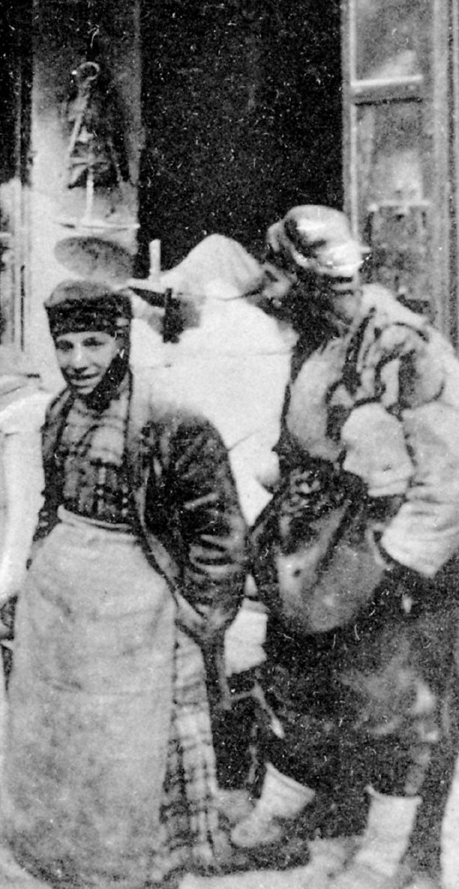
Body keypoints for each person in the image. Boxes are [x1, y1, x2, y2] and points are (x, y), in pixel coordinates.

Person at [225, 206, 459, 885]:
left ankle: (384, 856)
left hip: (385, 551)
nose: (268, 292)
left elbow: (447, 473)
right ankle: (278, 817)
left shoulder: (402, 346)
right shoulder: (317, 340)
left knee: (388, 702)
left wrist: (400, 568)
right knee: (297, 678)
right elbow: (301, 439)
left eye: (278, 277)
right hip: (317, 545)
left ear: (309, 279)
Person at [2, 280, 247, 886]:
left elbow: (219, 532)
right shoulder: (59, 414)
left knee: (141, 736)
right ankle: (67, 852)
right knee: (65, 727)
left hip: (140, 602)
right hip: (64, 599)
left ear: (122, 341)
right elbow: (51, 505)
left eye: (94, 343)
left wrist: (200, 617)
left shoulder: (171, 420)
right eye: (65, 346)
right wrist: (30, 572)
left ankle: (144, 862)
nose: (78, 361)